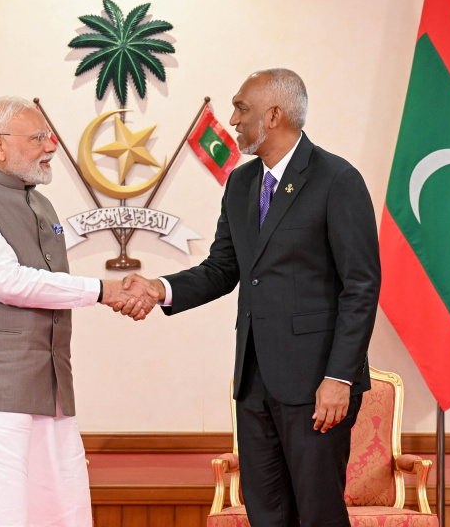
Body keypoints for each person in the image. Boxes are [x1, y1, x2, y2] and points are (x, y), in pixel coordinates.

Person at [121, 69, 381, 526]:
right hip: (254, 384)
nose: (233, 120)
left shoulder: (337, 179)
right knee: (267, 515)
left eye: (242, 108)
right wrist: (160, 288)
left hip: (317, 385)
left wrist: (339, 377)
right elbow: (223, 268)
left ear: (274, 115)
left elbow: (361, 286)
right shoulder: (241, 183)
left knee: (318, 515)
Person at [0, 96, 156, 527]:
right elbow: (7, 281)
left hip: (48, 385)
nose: (51, 146)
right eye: (38, 138)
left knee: (61, 511)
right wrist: (104, 290)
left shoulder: (40, 204)